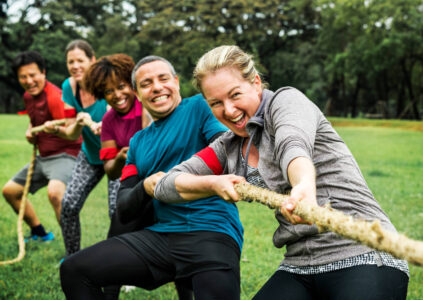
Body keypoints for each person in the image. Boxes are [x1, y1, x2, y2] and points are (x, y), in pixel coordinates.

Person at [154, 45, 410, 300]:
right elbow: (167, 185)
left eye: (235, 95)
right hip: (299, 265)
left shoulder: (285, 102)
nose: (229, 110)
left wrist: (303, 188)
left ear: (255, 83)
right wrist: (212, 183)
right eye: (216, 103)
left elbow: (293, 146)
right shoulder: (228, 147)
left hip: (362, 252)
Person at [60, 55, 243, 300]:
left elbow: (227, 152)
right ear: (138, 93)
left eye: (163, 79)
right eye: (146, 84)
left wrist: (177, 179)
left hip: (211, 232)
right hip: (161, 238)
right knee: (73, 270)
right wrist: (145, 186)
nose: (156, 87)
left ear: (176, 82)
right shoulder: (138, 143)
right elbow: (124, 208)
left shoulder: (200, 107)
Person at [45, 39, 118, 257]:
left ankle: (123, 267)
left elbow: (125, 116)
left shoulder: (107, 84)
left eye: (80, 60)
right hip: (90, 155)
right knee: (68, 205)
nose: (75, 66)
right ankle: (73, 259)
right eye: (71, 62)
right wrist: (65, 126)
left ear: (92, 60)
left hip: (118, 156)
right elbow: (71, 133)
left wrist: (107, 126)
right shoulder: (69, 87)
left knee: (117, 212)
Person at [2, 51, 82, 242]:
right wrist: (31, 131)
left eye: (33, 75)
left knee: (55, 193)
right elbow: (34, 121)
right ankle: (40, 234)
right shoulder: (28, 97)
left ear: (43, 73)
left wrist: (54, 129)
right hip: (43, 157)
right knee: (10, 192)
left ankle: (73, 251)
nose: (29, 81)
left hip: (65, 154)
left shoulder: (56, 97)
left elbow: (73, 131)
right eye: (23, 76)